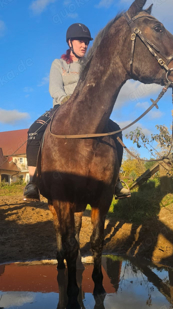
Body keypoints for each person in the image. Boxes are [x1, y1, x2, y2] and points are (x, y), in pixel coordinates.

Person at [23, 23, 131, 201]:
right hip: (62, 108)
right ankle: (33, 182)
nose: (84, 45)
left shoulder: (91, 66)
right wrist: (68, 102)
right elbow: (55, 89)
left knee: (116, 131)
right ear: (70, 43)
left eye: (87, 42)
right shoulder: (58, 64)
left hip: (89, 113)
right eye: (80, 41)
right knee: (34, 132)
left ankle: (115, 181)